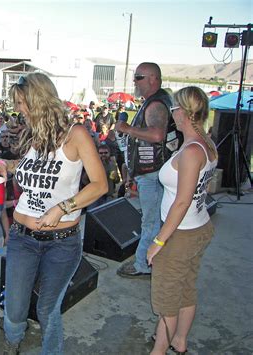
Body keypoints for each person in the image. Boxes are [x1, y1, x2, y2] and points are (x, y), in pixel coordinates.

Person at [0, 73, 107, 354]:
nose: (19, 110)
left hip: (61, 242)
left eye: (22, 103)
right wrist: (3, 164)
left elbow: (101, 185)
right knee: (14, 306)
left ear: (39, 100)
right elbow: (26, 165)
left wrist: (63, 207)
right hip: (22, 237)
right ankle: (12, 343)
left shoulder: (75, 135)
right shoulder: (33, 134)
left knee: (47, 308)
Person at [146, 87, 218, 355]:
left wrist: (159, 241)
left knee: (166, 299)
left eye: (174, 108)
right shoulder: (205, 143)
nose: (172, 113)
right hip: (198, 226)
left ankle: (160, 349)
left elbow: (182, 202)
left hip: (180, 235)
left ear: (184, 112)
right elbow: (202, 190)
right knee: (186, 288)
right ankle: (180, 340)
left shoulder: (191, 152)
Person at [115, 62, 179, 278]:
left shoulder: (155, 105)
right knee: (154, 220)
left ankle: (143, 264)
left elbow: (157, 135)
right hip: (156, 171)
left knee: (150, 221)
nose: (135, 81)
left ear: (153, 79)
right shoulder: (158, 100)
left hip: (153, 173)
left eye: (138, 77)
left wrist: (126, 129)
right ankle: (151, 258)